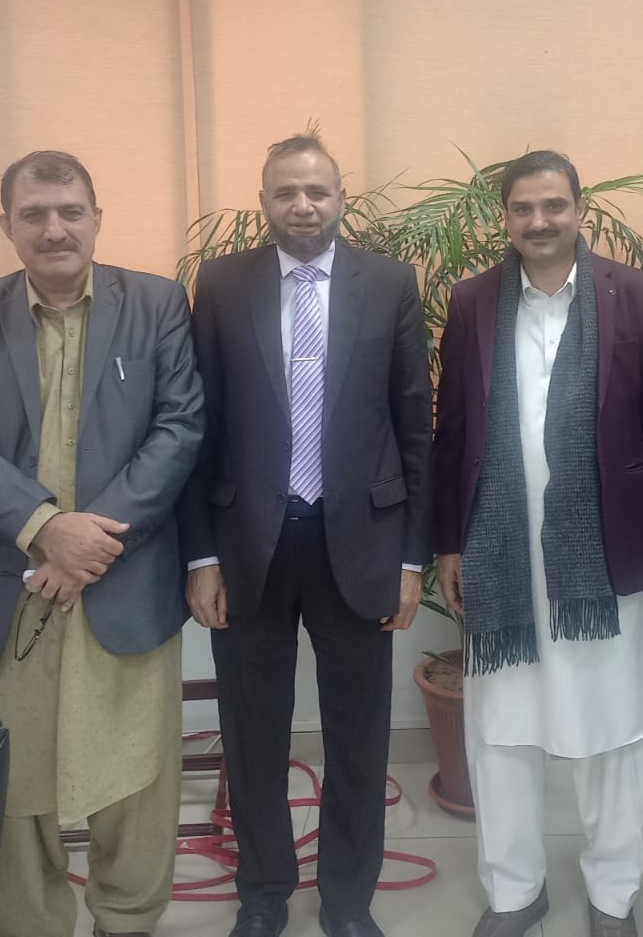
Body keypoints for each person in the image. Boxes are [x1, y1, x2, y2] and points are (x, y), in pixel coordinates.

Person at [0, 150, 205, 937]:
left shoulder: (156, 304)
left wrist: (92, 541)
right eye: (34, 213)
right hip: (5, 591)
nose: (54, 229)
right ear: (6, 224)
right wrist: (47, 528)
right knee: (3, 785)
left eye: (70, 211)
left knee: (135, 781)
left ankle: (128, 922)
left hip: (122, 582)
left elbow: (181, 428)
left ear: (96, 217)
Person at [177, 134, 432, 937]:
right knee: (253, 733)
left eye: (317, 191)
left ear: (341, 198)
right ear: (264, 202)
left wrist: (412, 556)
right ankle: (263, 892)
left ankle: (348, 898)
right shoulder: (223, 283)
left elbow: (414, 424)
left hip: (360, 542)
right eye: (286, 192)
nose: (303, 205)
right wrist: (201, 553)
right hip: (247, 546)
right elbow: (199, 427)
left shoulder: (388, 282)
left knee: (359, 734)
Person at [432, 150, 643, 937]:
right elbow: (452, 430)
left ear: (580, 209)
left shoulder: (635, 295)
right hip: (500, 553)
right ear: (504, 217)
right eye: (523, 208)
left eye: (554, 206)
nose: (538, 221)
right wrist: (447, 541)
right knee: (501, 728)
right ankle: (515, 891)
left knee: (617, 724)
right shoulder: (472, 300)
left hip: (608, 554)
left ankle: (613, 894)